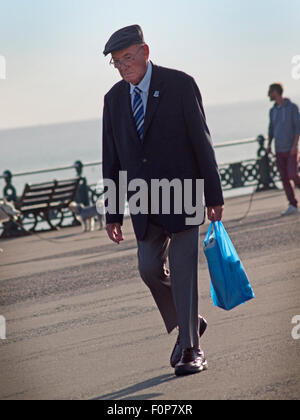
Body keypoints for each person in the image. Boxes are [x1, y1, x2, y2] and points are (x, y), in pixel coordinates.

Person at [102, 25, 224, 376]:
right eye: (116, 62)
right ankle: (189, 321)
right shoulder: (113, 99)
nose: (123, 66)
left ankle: (190, 349)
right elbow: (111, 159)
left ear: (145, 51)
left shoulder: (179, 84)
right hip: (142, 204)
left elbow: (202, 142)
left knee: (185, 274)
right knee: (149, 269)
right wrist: (113, 212)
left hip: (183, 196)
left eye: (127, 58)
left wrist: (213, 195)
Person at [267, 83, 300, 216]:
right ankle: (292, 204)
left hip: (291, 149)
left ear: (276, 92)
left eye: (270, 91)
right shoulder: (273, 110)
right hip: (278, 150)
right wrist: (269, 145)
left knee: (293, 174)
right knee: (284, 178)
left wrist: (294, 146)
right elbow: (271, 129)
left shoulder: (292, 108)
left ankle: (293, 203)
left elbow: (298, 128)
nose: (268, 94)